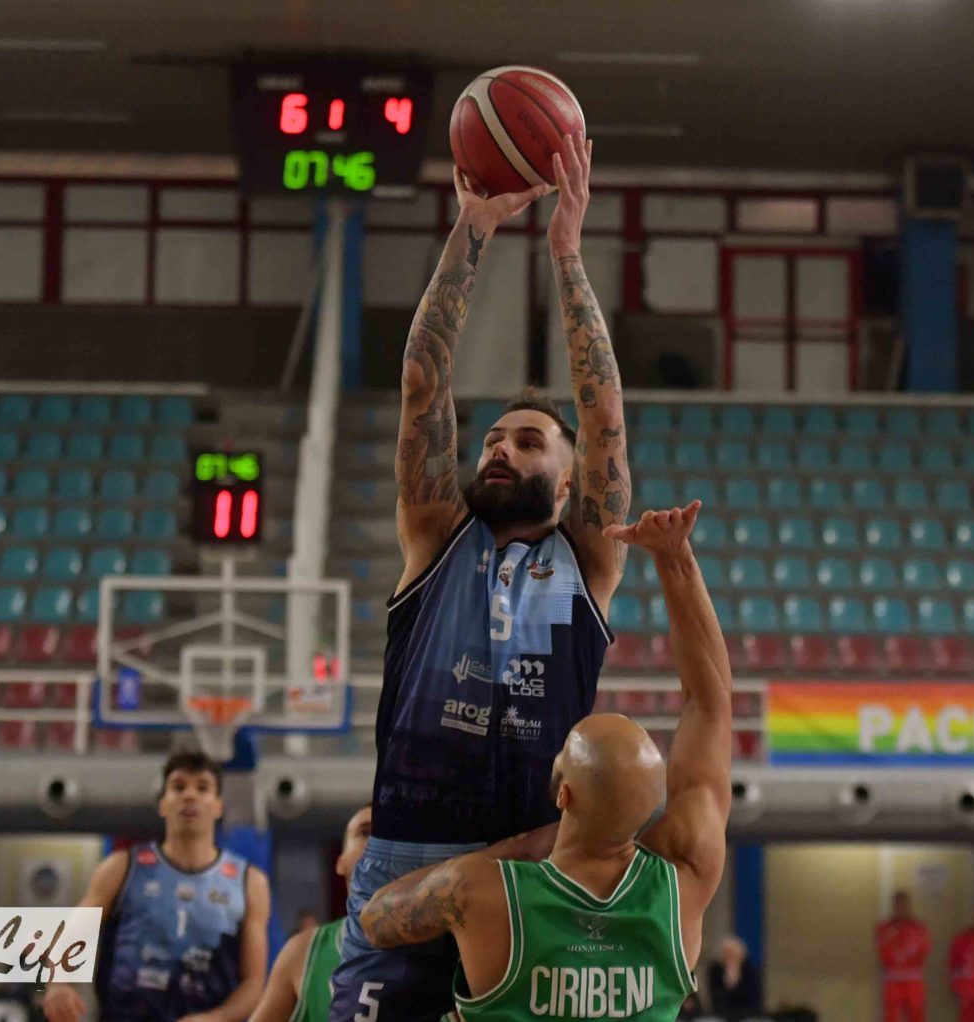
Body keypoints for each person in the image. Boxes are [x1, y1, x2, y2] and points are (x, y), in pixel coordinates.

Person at [331, 132, 634, 1022]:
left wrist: (566, 254)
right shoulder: (439, 537)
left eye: (529, 441)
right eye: (494, 438)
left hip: (531, 865)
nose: (500, 448)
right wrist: (471, 231)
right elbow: (423, 385)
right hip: (405, 858)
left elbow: (604, 415)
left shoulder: (586, 559)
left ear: (570, 482)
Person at [358, 502, 731, 1022]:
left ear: (563, 795)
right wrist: (675, 558)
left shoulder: (481, 888)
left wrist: (518, 846)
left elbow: (375, 920)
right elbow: (710, 705)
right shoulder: (686, 878)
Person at [43, 751, 270, 1022]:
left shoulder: (249, 881)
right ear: (163, 804)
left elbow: (254, 983)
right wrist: (58, 984)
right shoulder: (122, 867)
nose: (190, 796)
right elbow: (71, 935)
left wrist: (216, 1018)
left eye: (202, 788)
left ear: (218, 806)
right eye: (178, 787)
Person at [252, 807, 373, 1022]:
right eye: (365, 832)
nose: (377, 844)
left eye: (386, 835)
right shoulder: (303, 952)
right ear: (341, 862)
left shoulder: (434, 951)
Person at [876, 891, 930, 1022]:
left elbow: (923, 951)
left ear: (908, 906)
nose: (900, 908)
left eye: (903, 904)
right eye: (897, 904)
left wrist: (905, 957)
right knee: (891, 1016)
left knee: (917, 1015)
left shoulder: (919, 928)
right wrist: (902, 956)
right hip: (893, 980)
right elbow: (884, 954)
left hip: (913, 980)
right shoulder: (884, 929)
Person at [709, 936, 764, 1021]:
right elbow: (716, 999)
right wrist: (728, 982)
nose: (730, 958)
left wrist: (736, 979)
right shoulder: (715, 971)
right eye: (727, 954)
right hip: (722, 1014)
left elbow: (754, 998)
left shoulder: (750, 970)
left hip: (748, 1014)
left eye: (733, 954)